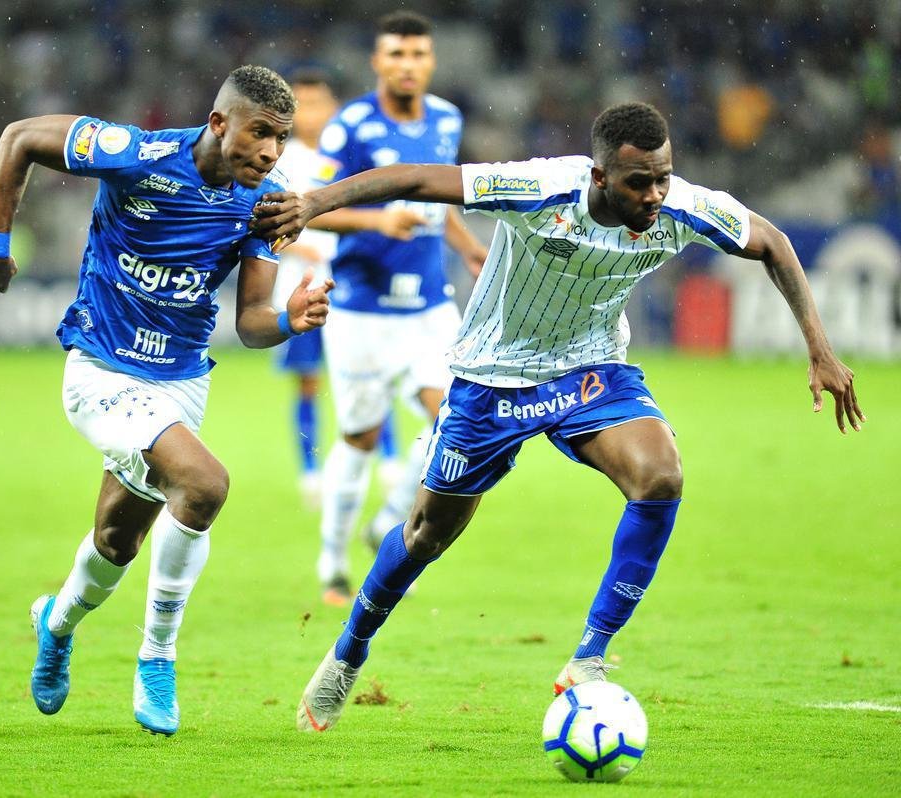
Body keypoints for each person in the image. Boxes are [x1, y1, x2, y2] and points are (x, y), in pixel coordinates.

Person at [252, 101, 864, 733]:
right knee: (427, 535)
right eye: (638, 183)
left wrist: (820, 349)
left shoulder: (682, 206)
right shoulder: (542, 187)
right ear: (599, 177)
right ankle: (350, 647)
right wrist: (313, 203)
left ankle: (590, 657)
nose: (655, 194)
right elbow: (417, 178)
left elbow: (773, 242)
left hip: (590, 370)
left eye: (662, 177)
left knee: (661, 477)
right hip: (492, 377)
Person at [0, 65, 333, 736]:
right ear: (219, 123)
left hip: (180, 383)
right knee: (204, 485)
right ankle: (158, 658)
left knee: (117, 539)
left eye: (281, 140)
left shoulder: (267, 202)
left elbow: (252, 320)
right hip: (102, 372)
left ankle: (56, 624)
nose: (270, 153)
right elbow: (20, 137)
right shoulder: (137, 155)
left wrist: (289, 318)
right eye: (260, 134)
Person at [306, 10, 489, 606]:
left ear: (430, 61)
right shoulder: (350, 125)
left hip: (429, 308)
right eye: (396, 55)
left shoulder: (446, 118)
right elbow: (315, 207)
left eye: (417, 55)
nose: (407, 66)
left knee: (453, 421)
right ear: (377, 62)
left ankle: (388, 513)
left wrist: (466, 249)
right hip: (361, 309)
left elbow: (439, 198)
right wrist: (377, 217)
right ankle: (332, 560)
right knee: (361, 435)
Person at [271, 69, 413, 511]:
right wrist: (303, 244)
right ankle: (309, 471)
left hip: (354, 284)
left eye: (318, 103)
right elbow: (272, 226)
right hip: (301, 287)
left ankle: (389, 462)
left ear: (334, 109)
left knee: (372, 375)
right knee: (309, 383)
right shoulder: (280, 160)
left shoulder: (350, 153)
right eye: (302, 105)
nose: (311, 113)